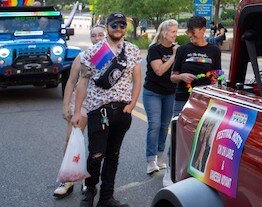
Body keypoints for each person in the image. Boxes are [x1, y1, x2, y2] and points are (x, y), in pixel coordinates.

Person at [72, 12, 142, 207]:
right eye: (114, 25)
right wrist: (78, 111)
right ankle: (89, 191)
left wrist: (132, 104)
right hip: (98, 109)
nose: (118, 28)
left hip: (122, 110)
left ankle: (106, 197)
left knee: (113, 155)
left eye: (122, 25)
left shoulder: (132, 50)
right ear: (107, 27)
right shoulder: (94, 52)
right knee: (96, 154)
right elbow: (82, 82)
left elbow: (137, 79)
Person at [54, 25, 106, 199]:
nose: (97, 38)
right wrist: (65, 105)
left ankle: (87, 179)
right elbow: (70, 82)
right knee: (72, 140)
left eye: (101, 35)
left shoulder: (112, 56)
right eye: (94, 36)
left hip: (101, 104)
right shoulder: (82, 56)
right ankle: (67, 179)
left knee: (96, 145)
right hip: (81, 103)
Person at [143, 19, 178, 175]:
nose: (175, 35)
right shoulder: (154, 49)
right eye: (173, 32)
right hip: (153, 93)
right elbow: (159, 70)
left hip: (170, 92)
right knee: (155, 124)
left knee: (165, 125)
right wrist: (174, 57)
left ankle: (160, 157)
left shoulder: (176, 49)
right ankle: (151, 160)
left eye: (176, 32)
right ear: (164, 33)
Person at [170, 15, 222, 117]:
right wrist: (181, 77)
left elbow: (217, 75)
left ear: (203, 30)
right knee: (179, 130)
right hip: (183, 99)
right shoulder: (182, 50)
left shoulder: (214, 50)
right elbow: (173, 77)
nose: (190, 35)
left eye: (193, 32)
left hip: (205, 100)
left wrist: (214, 78)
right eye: (188, 32)